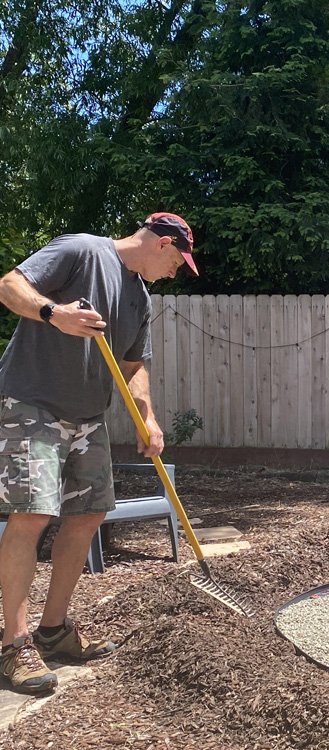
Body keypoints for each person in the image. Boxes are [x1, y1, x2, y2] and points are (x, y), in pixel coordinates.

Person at [0, 212, 199, 694]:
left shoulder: (139, 296)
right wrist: (55, 313)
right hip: (33, 403)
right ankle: (13, 646)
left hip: (88, 416)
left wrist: (147, 417)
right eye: (177, 262)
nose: (174, 272)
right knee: (32, 514)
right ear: (162, 243)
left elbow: (134, 365)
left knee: (89, 514)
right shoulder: (83, 249)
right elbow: (9, 286)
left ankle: (53, 631)